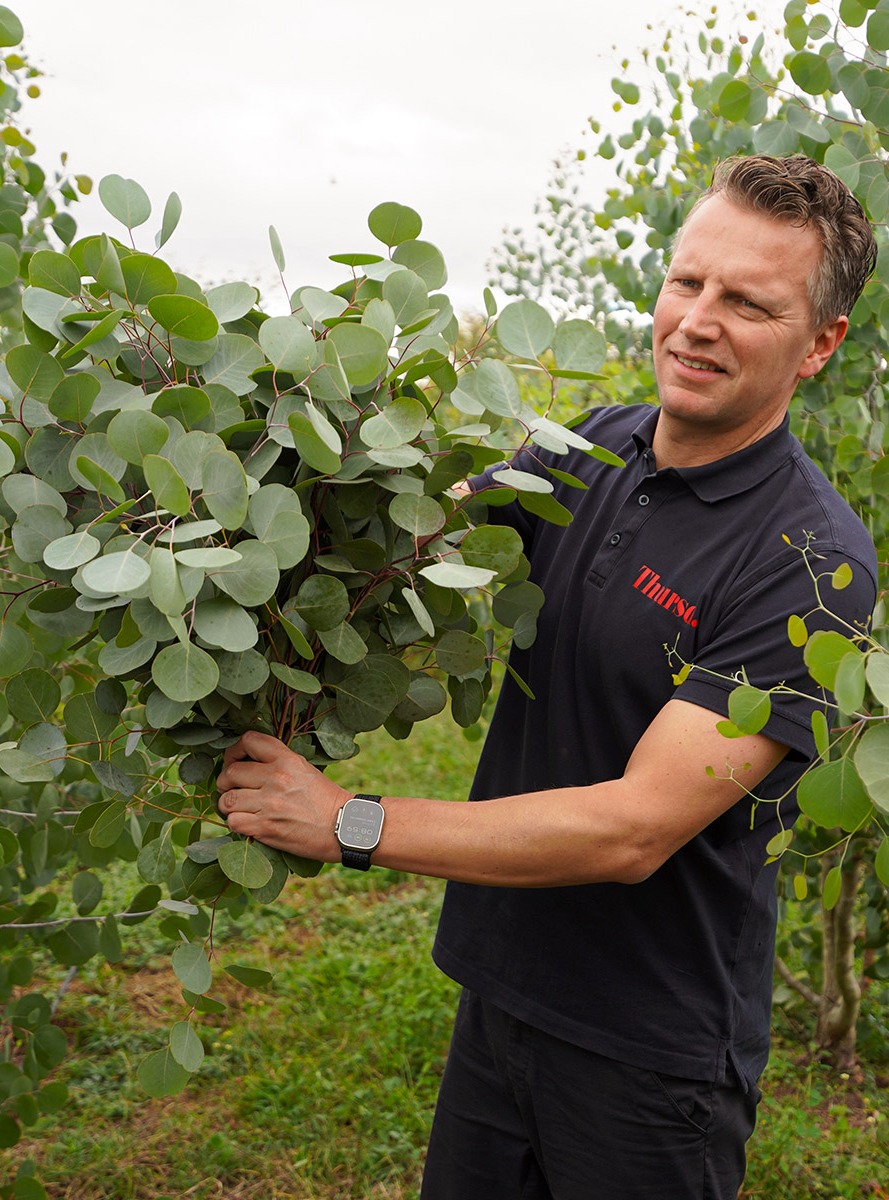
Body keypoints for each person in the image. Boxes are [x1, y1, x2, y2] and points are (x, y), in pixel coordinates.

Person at [216, 155, 879, 1199]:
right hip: (501, 987)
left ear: (821, 345)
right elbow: (400, 524)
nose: (698, 320)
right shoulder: (584, 450)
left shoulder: (808, 562)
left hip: (650, 1056)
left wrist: (353, 821)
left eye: (748, 302)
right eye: (685, 282)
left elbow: (633, 829)